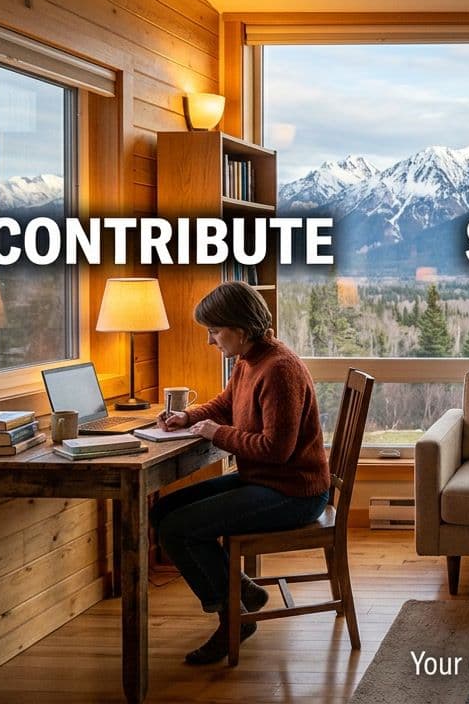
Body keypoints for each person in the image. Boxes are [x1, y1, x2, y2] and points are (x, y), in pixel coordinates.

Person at [150, 282, 331, 664]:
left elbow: (276, 451)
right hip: (266, 481)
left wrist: (220, 434)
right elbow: (226, 402)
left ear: (241, 328)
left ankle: (233, 617)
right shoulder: (250, 359)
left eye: (215, 331)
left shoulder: (279, 369)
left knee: (177, 528)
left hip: (295, 492)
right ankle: (244, 594)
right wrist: (190, 417)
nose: (211, 341)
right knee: (163, 512)